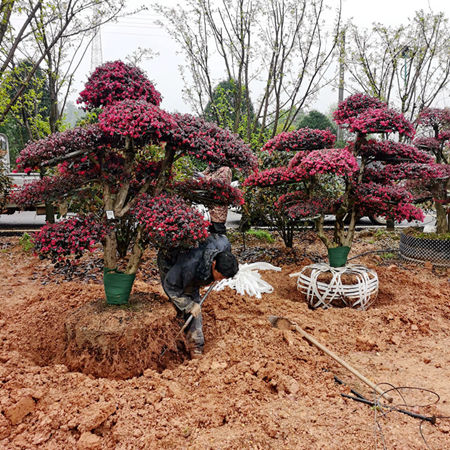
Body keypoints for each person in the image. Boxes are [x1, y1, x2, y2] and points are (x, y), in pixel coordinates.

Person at [157, 234, 239, 357]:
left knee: (193, 293)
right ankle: (187, 333)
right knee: (186, 297)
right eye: (221, 277)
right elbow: (171, 285)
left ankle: (196, 345)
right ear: (213, 264)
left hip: (196, 259)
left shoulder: (223, 245)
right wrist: (189, 305)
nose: (221, 280)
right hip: (171, 259)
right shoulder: (188, 265)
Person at [195, 164, 232, 235]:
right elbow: (204, 174)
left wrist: (204, 177)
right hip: (209, 206)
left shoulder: (225, 169)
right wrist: (198, 175)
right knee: (210, 230)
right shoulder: (211, 167)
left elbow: (221, 183)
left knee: (218, 228)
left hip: (219, 206)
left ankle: (222, 245)